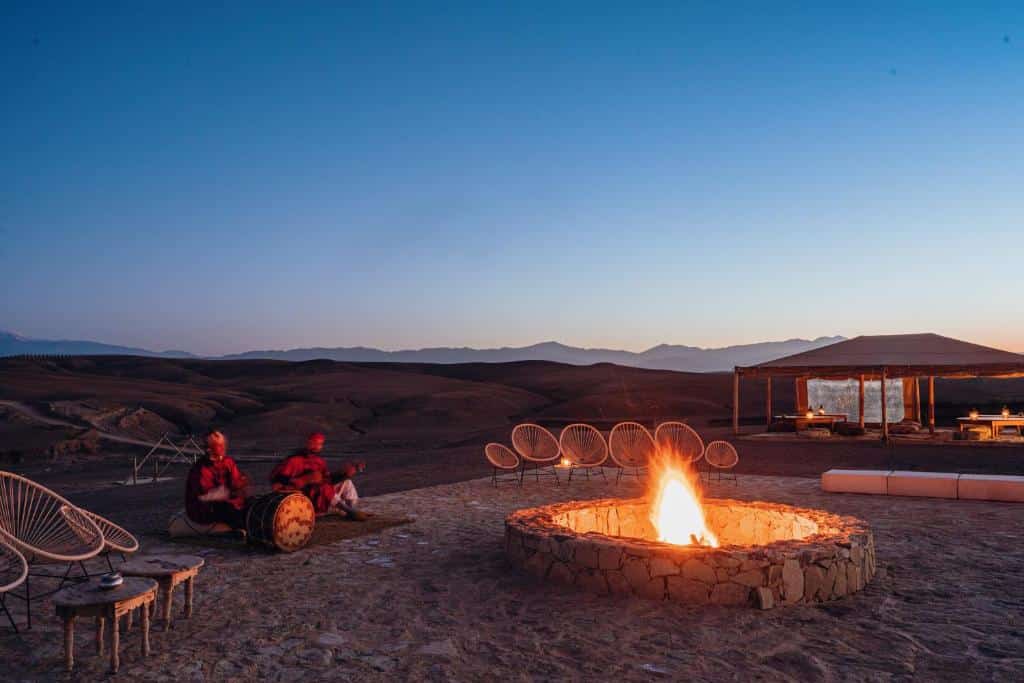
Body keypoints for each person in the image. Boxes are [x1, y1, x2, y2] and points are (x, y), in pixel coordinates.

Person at [184, 431, 250, 529]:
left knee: (251, 503)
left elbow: (235, 482)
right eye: (219, 445)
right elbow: (206, 496)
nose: (223, 448)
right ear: (209, 448)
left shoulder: (228, 462)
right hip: (203, 508)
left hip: (225, 501)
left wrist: (241, 483)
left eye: (222, 445)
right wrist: (231, 493)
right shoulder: (200, 470)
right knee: (229, 510)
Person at [269, 432, 335, 514]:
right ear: (307, 443)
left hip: (320, 492)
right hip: (306, 494)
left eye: (320, 444)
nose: (317, 446)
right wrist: (304, 480)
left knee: (346, 483)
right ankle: (346, 509)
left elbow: (327, 478)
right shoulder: (294, 460)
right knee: (324, 488)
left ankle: (353, 507)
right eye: (314, 443)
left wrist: (342, 475)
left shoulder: (320, 461)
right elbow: (278, 481)